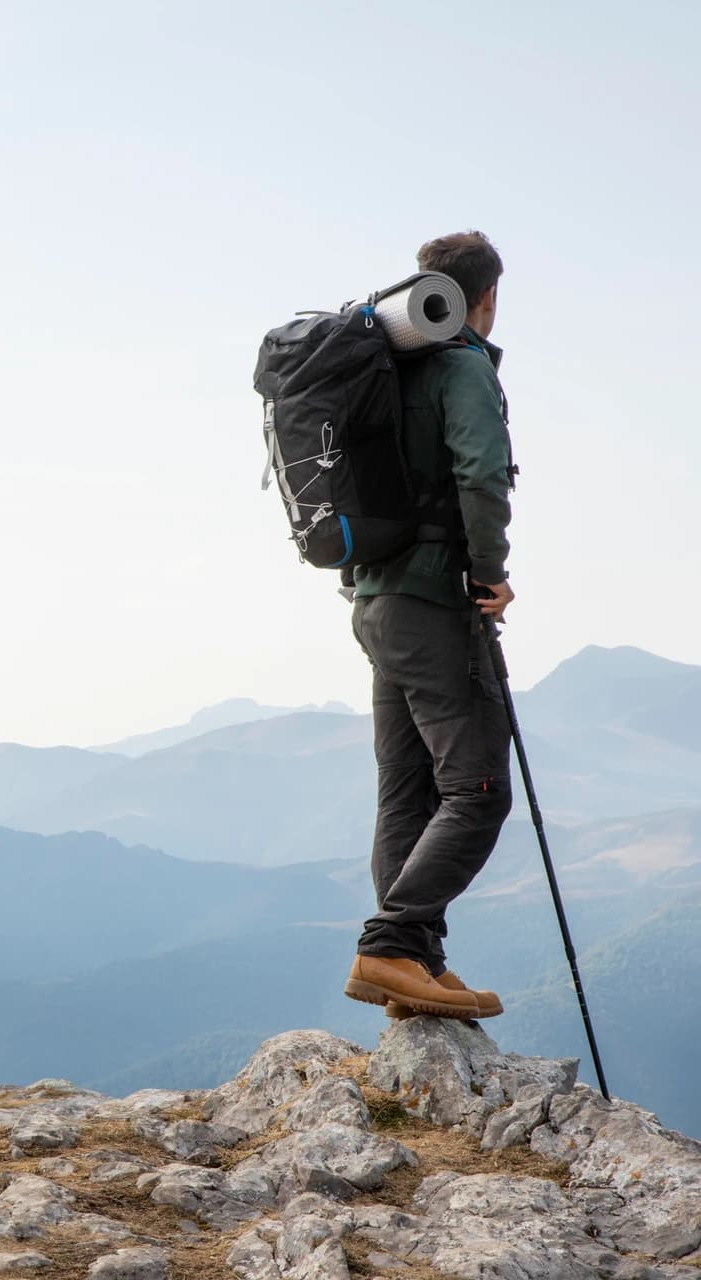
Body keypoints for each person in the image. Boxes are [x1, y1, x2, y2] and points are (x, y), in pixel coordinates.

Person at [341, 230, 517, 1020]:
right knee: (478, 789)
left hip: (375, 603)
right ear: (487, 297)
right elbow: (481, 474)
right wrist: (490, 572)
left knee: (406, 792)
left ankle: (414, 965)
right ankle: (391, 945)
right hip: (434, 603)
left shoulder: (385, 365)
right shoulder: (461, 365)